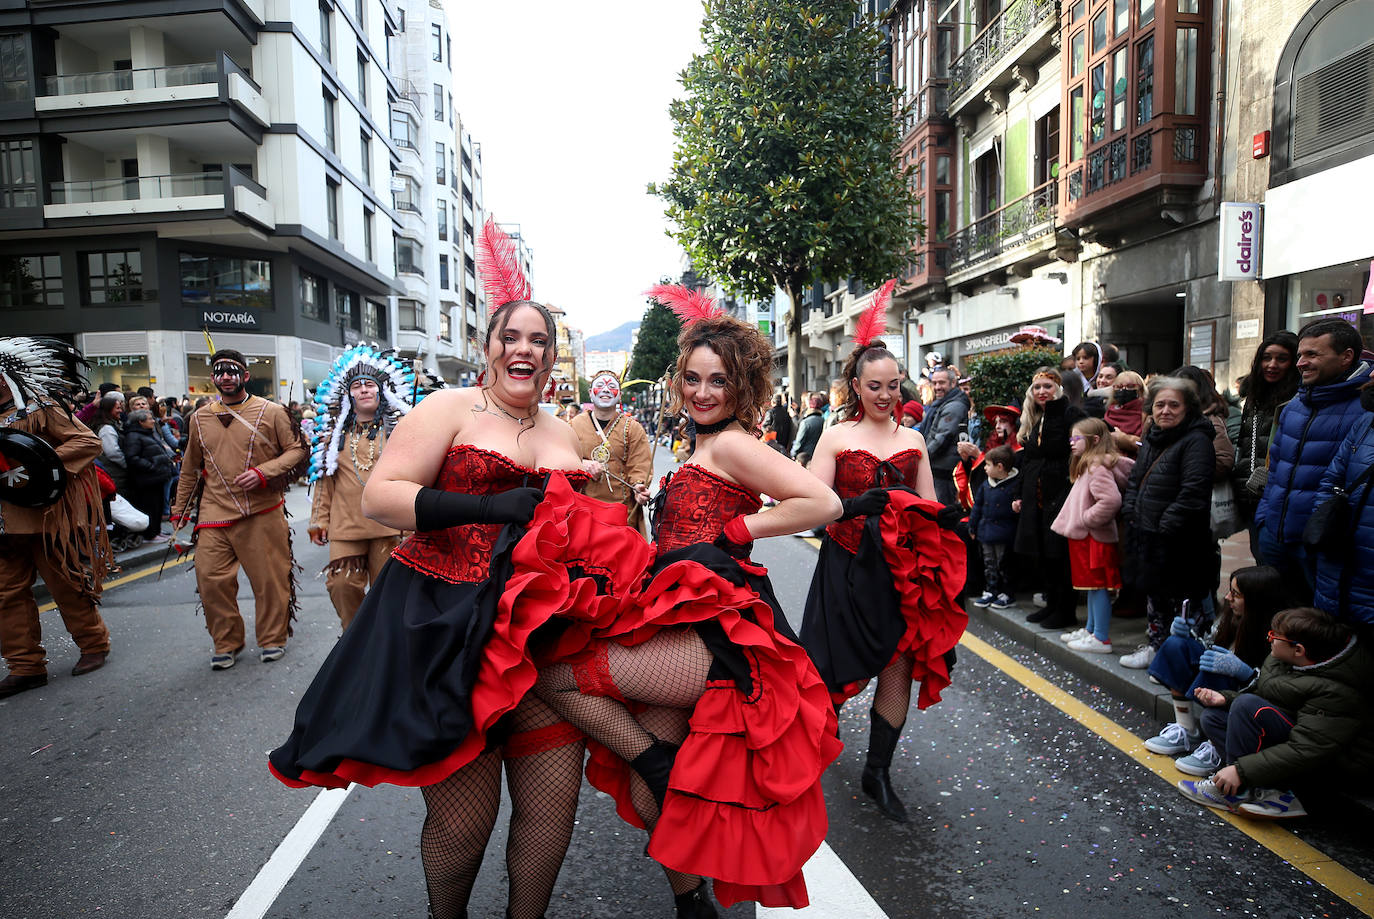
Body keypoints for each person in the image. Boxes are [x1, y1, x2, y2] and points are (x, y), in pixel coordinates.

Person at [273, 223, 600, 919]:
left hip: (542, 637)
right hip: (445, 632)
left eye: (539, 340)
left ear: (550, 358)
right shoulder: (448, 407)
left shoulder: (563, 432)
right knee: (463, 825)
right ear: (487, 348)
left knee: (551, 815)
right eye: (511, 336)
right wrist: (483, 503)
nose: (525, 348)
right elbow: (380, 497)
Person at [533, 285, 843, 911]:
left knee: (555, 677)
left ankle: (653, 768)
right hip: (674, 617)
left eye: (719, 382)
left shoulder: (731, 443)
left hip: (711, 632)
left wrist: (737, 532)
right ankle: (691, 902)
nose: (703, 393)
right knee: (660, 794)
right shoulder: (702, 441)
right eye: (694, 379)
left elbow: (824, 502)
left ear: (741, 388)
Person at [798, 283, 966, 824]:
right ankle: (809, 753)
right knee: (829, 671)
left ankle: (878, 772)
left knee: (897, 669)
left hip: (899, 572)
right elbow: (809, 503)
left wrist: (950, 518)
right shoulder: (833, 434)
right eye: (876, 386)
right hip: (845, 567)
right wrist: (849, 507)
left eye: (895, 385)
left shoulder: (914, 441)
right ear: (856, 385)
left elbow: (929, 505)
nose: (887, 395)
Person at [171, 349, 308, 668]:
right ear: (213, 379)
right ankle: (226, 641)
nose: (226, 377)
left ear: (245, 376)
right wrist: (180, 513)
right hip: (213, 513)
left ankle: (273, 639)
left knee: (269, 580)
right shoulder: (199, 418)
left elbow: (297, 450)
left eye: (232, 371)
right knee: (210, 580)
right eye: (219, 372)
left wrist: (264, 472)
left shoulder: (272, 412)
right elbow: (190, 467)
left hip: (260, 512)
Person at [1178, 606, 1374, 818]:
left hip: (1333, 765)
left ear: (1298, 650)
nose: (1268, 638)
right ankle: (1258, 789)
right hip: (1300, 738)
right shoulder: (1288, 659)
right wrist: (1226, 698)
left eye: (1274, 636)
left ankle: (1247, 791)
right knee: (1213, 717)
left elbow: (1307, 748)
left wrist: (1240, 770)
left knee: (1246, 706)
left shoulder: (1337, 690)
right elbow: (1271, 696)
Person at [0, 338, 112, 698]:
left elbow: (86, 442)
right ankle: (25, 666)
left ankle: (94, 644)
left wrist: (40, 464)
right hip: (3, 525)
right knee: (6, 596)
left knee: (66, 584)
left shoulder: (39, 407)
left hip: (45, 519)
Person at [1254, 318, 1373, 594]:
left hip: (1324, 546)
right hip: (1275, 538)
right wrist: (1265, 522)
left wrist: (1329, 535)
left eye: (1312, 354)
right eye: (1300, 355)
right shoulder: (1295, 405)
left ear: (1346, 357)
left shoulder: (1365, 410)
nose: (1300, 363)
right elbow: (1275, 469)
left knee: (1318, 626)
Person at [306, 346, 413, 630]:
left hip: (390, 525)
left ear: (381, 390)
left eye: (370, 384)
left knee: (388, 591)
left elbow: (416, 477)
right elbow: (323, 479)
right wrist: (318, 519)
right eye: (357, 385)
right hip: (347, 526)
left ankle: (382, 642)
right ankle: (353, 636)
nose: (364, 390)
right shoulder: (334, 435)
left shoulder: (401, 429)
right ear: (348, 393)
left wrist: (416, 520)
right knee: (341, 585)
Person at [1143, 565, 1286, 775]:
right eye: (1229, 591)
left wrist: (1247, 674)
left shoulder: (1278, 632)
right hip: (1227, 688)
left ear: (1256, 600)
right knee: (1177, 645)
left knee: (1218, 664)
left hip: (1247, 700)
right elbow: (1210, 643)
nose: (1227, 597)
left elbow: (1278, 686)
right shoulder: (1232, 616)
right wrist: (1187, 634)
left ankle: (1217, 744)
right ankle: (1186, 728)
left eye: (1235, 594)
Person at [1119, 376, 1217, 669]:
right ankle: (1156, 648)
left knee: (1184, 603)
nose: (1165, 411)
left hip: (1180, 539)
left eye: (1174, 404)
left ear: (1188, 408)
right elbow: (1136, 479)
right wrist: (1131, 512)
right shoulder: (1152, 437)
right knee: (1156, 597)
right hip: (1147, 534)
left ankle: (1184, 661)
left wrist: (1165, 526)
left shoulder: (1197, 441)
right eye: (1159, 404)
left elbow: (1193, 492)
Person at [1014, 369, 1086, 631]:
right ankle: (1052, 604)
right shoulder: (1035, 418)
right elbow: (1029, 461)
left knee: (1059, 555)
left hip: (1062, 494)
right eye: (1037, 387)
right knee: (1044, 554)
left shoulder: (1069, 414)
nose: (1042, 391)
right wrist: (1019, 494)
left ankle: (1065, 609)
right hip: (1038, 495)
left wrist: (1056, 407)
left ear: (1058, 389)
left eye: (1048, 386)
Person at [1051, 418, 1131, 652]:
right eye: (1071, 438)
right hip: (1089, 537)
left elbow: (1111, 500)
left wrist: (1087, 519)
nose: (1072, 443)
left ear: (1094, 440)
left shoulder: (1096, 467)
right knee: (1091, 587)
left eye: (1077, 439)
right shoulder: (1090, 464)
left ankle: (1101, 637)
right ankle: (1091, 630)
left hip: (1094, 537)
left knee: (1098, 587)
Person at [1311, 383, 1374, 632]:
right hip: (1337, 570)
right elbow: (1331, 478)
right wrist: (1325, 526)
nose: (1371, 373)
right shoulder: (1366, 422)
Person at [1232, 332, 1300, 561]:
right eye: (1267, 357)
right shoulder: (1254, 397)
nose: (1272, 365)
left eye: (1282, 358)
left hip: (1279, 499)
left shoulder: (1298, 400)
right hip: (1251, 496)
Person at [570, 369, 653, 531]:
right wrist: (581, 464)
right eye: (600, 385)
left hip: (622, 512)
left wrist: (639, 488)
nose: (606, 390)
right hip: (584, 509)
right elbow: (561, 458)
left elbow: (640, 465)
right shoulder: (574, 425)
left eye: (612, 386)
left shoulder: (632, 428)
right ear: (590, 394)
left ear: (620, 395)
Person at [968, 444, 1019, 610]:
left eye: (987, 465)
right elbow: (977, 507)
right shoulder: (986, 485)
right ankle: (991, 590)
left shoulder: (1015, 484)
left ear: (1000, 467)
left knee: (1004, 564)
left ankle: (1007, 593)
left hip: (1005, 534)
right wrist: (972, 526)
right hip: (986, 533)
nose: (984, 468)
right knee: (989, 563)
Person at [121, 408, 176, 543]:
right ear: (140, 422)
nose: (153, 421)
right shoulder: (134, 436)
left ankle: (156, 530)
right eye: (150, 419)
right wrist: (151, 466)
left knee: (157, 505)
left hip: (156, 477)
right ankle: (150, 534)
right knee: (150, 506)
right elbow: (132, 457)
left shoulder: (147, 433)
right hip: (146, 479)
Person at [920, 367, 970, 506]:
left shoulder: (954, 406)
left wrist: (920, 458)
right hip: (940, 469)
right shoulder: (942, 404)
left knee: (940, 514)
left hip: (943, 472)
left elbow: (941, 438)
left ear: (953, 383)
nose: (937, 387)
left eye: (941, 383)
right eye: (934, 383)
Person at [791, 392, 826, 464]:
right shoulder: (824, 420)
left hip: (805, 457)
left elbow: (799, 442)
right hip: (819, 456)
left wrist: (793, 454)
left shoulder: (806, 422)